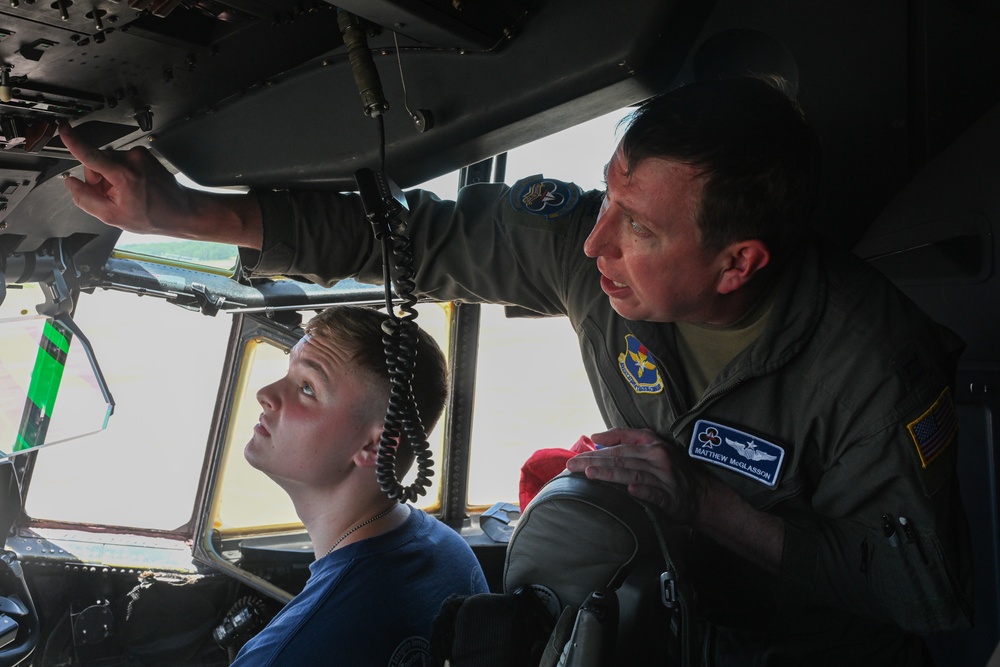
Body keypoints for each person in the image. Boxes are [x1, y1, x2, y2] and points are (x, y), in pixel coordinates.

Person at [59, 76, 973, 665]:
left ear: (737, 264)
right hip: (667, 623)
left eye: (638, 228)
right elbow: (412, 238)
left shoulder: (873, 363)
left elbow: (921, 589)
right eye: (608, 196)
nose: (595, 242)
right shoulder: (594, 261)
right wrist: (184, 213)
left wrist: (707, 502)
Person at [228, 304, 487, 665]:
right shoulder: (450, 551)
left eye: (307, 387)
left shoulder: (281, 655)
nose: (265, 393)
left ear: (375, 446)